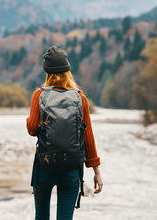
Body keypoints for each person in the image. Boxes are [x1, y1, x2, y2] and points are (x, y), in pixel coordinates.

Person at [26, 46, 103, 220]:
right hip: (71, 168)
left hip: (44, 166)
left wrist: (31, 120)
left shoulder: (39, 95)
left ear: (47, 72)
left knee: (41, 216)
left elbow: (32, 129)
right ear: (67, 71)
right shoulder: (79, 98)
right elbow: (88, 136)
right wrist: (96, 171)